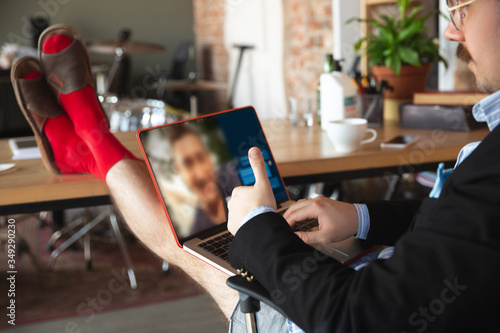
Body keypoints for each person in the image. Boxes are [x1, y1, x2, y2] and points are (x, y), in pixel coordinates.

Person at [10, 0, 500, 329]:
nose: (452, 29)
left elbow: (356, 319)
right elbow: (465, 226)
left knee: (187, 239)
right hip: (388, 276)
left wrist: (255, 225)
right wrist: (360, 217)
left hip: (341, 312)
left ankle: (92, 142)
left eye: (460, 6)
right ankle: (86, 144)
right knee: (211, 221)